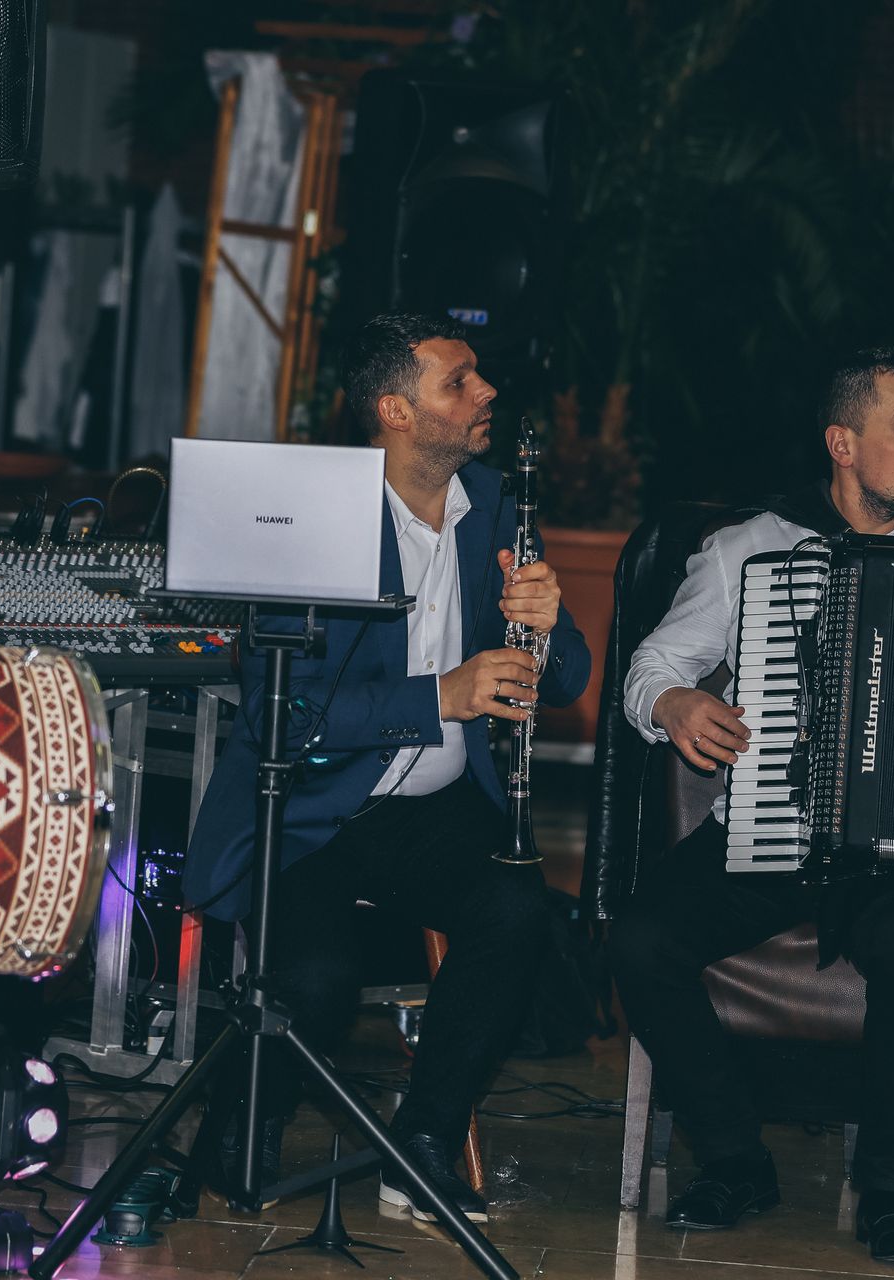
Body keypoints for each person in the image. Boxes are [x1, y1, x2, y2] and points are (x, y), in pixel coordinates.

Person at [611, 348, 894, 1266]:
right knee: (641, 939)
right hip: (771, 830)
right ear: (843, 443)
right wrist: (674, 703)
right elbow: (650, 667)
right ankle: (735, 1159)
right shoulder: (750, 548)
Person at [181, 312, 591, 1223]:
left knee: (519, 909)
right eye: (458, 381)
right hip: (312, 809)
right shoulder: (315, 511)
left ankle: (424, 1141)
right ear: (395, 411)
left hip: (435, 811)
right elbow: (283, 712)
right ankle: (245, 1121)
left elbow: (566, 678)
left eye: (479, 375)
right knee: (316, 982)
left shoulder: (494, 503)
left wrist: (545, 621)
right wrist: (440, 695)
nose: (485, 392)